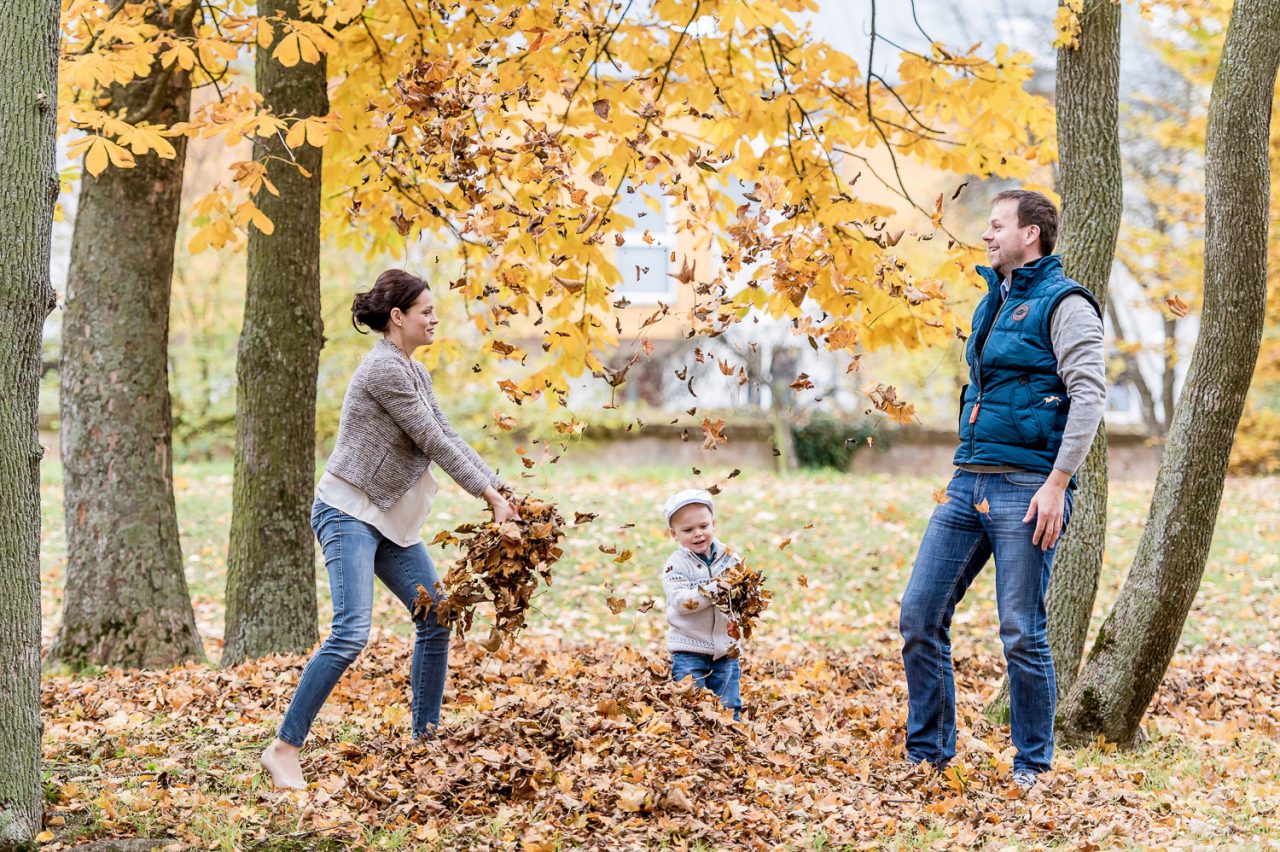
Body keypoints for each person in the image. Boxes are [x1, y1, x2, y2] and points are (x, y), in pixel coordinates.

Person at [260, 269, 518, 790]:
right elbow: (433, 443)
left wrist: (501, 490)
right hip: (348, 513)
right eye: (426, 310)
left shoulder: (411, 370)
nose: (434, 318)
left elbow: (446, 431)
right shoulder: (384, 370)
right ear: (397, 317)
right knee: (351, 632)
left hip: (387, 521)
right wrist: (488, 496)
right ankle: (283, 748)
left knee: (435, 616)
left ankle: (426, 741)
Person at [898, 190, 1106, 790]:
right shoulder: (995, 298)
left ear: (1030, 234)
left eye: (997, 226)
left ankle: (1033, 766)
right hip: (968, 482)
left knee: (1021, 629)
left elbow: (1089, 395)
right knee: (919, 614)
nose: (987, 236)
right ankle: (929, 755)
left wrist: (1058, 482)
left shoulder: (1065, 304)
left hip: (1028, 487)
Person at [661, 488, 744, 719]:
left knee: (729, 704)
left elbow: (740, 591)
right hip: (689, 648)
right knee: (691, 705)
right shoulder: (675, 565)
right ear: (673, 534)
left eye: (703, 526)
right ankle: (695, 745)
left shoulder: (729, 557)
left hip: (726, 648)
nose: (698, 534)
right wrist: (713, 589)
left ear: (713, 524)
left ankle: (732, 742)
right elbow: (682, 602)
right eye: (688, 530)